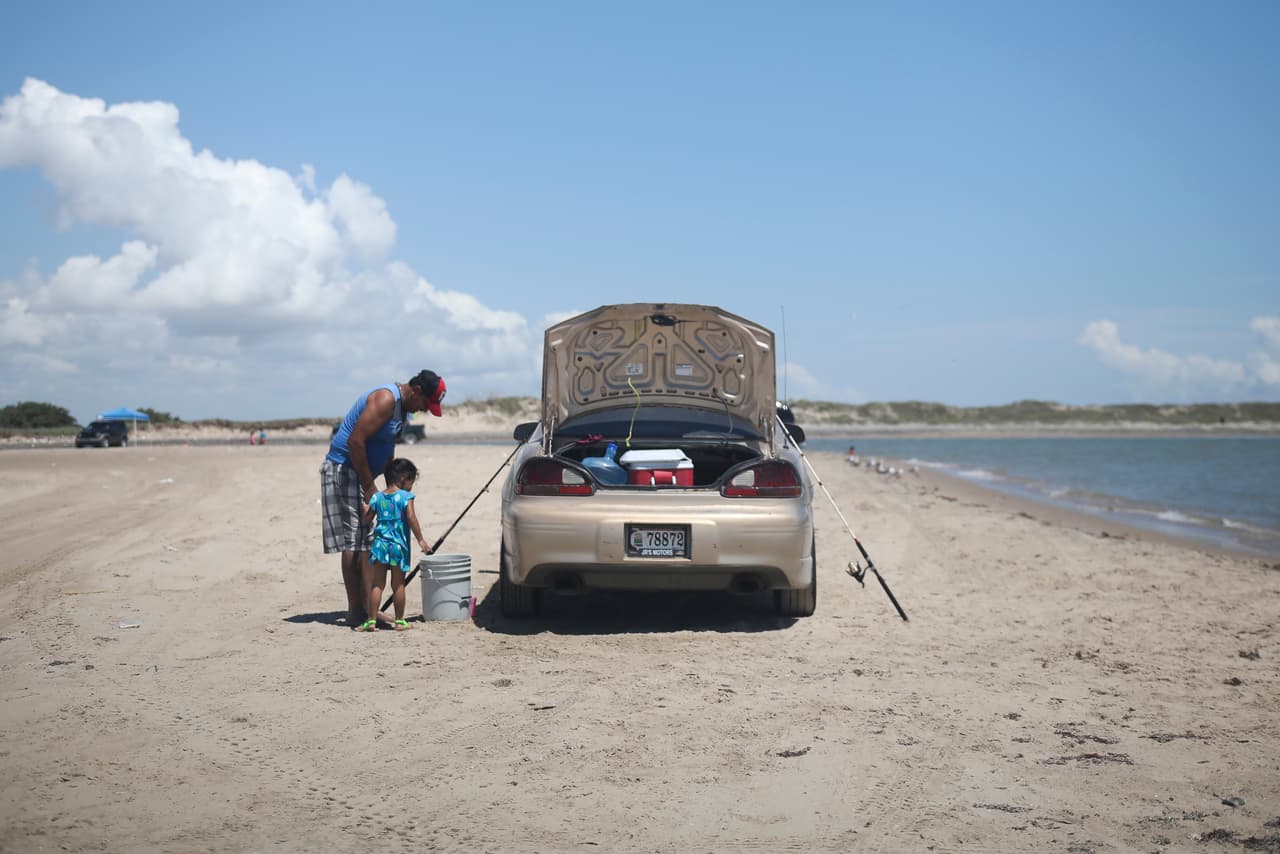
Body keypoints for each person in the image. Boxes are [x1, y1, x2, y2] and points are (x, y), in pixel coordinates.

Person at [321, 369, 446, 628]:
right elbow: (355, 442)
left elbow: (386, 448)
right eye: (426, 404)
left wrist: (391, 488)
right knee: (357, 540)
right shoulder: (386, 399)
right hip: (345, 468)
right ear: (417, 391)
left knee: (367, 538)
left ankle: (369, 608)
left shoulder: (402, 411)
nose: (424, 410)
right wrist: (369, 487)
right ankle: (358, 610)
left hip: (362, 473)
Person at [359, 458, 431, 632]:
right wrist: (421, 540)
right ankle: (399, 622)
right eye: (411, 482)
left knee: (378, 584)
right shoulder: (406, 497)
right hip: (398, 546)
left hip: (380, 546)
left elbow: (367, 520)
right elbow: (411, 517)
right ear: (404, 478)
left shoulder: (377, 497)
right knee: (398, 584)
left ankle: (371, 621)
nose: (411, 487)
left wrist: (365, 510)